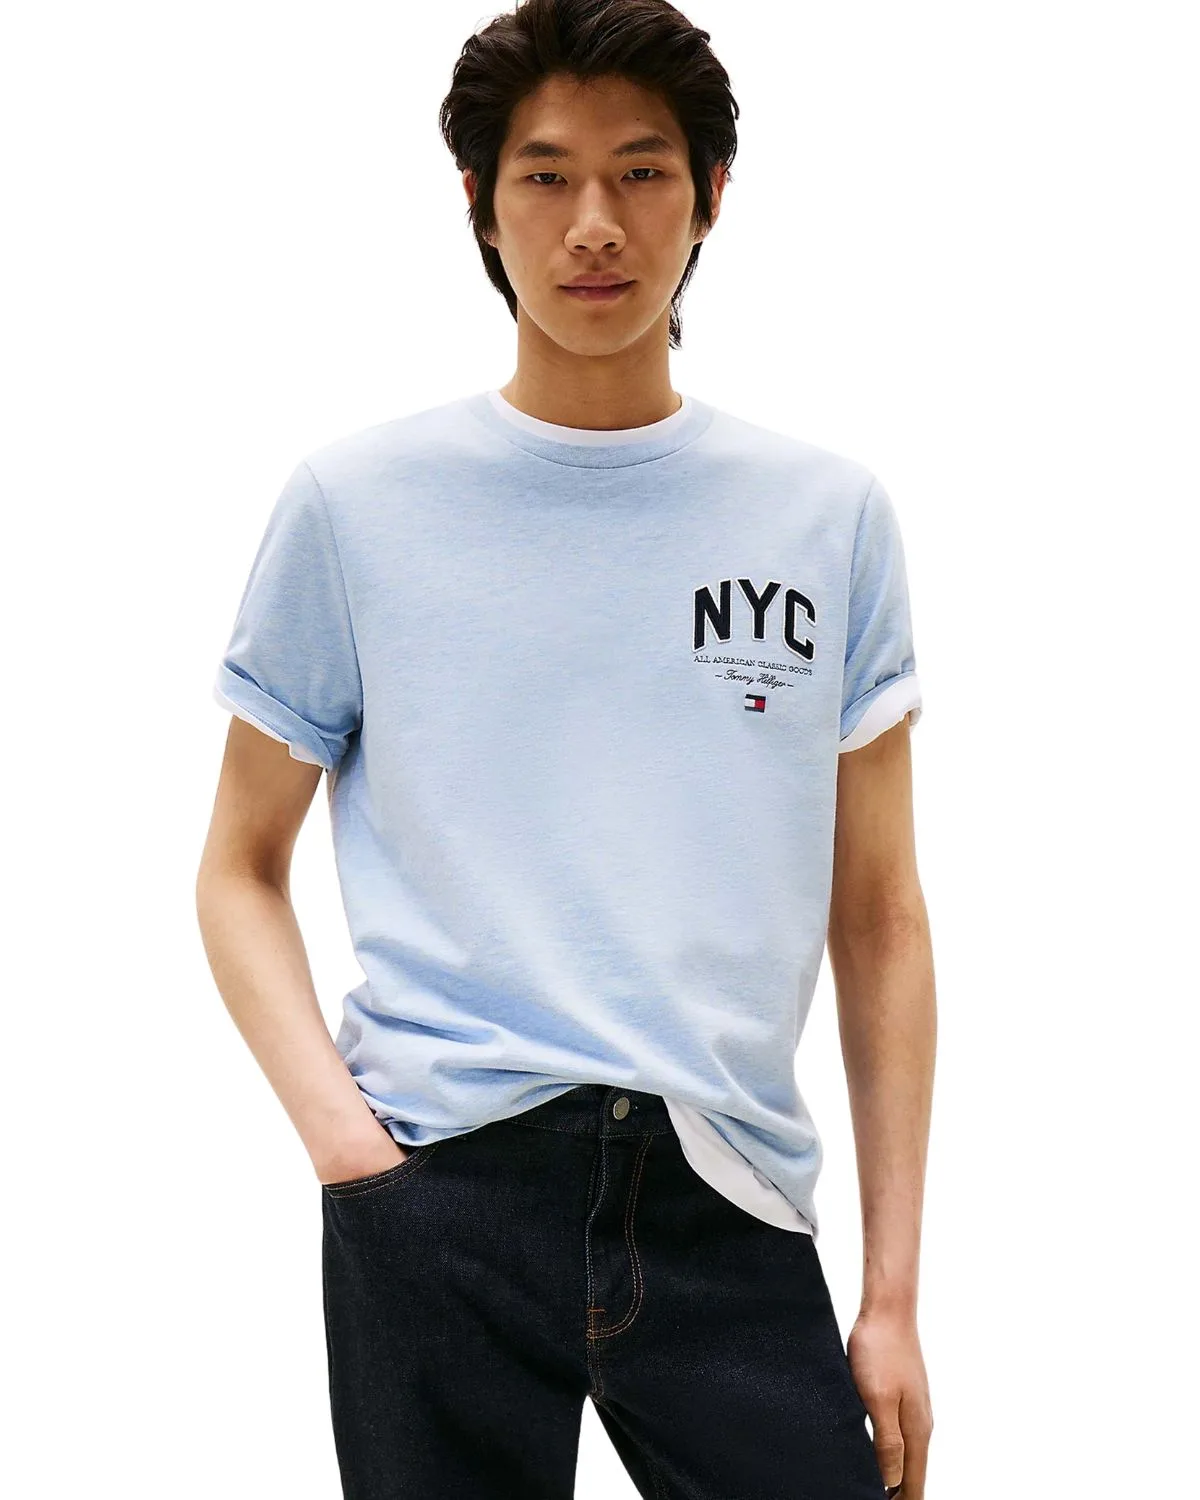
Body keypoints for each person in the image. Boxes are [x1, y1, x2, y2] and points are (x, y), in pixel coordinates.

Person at [195, 1, 936, 1495]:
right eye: (545, 175)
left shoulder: (826, 517)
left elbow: (879, 915)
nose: (595, 223)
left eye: (642, 172)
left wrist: (891, 1297)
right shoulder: (357, 505)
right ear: (481, 202)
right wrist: (353, 1159)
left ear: (710, 195)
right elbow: (237, 868)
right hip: (443, 1180)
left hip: (730, 1193)